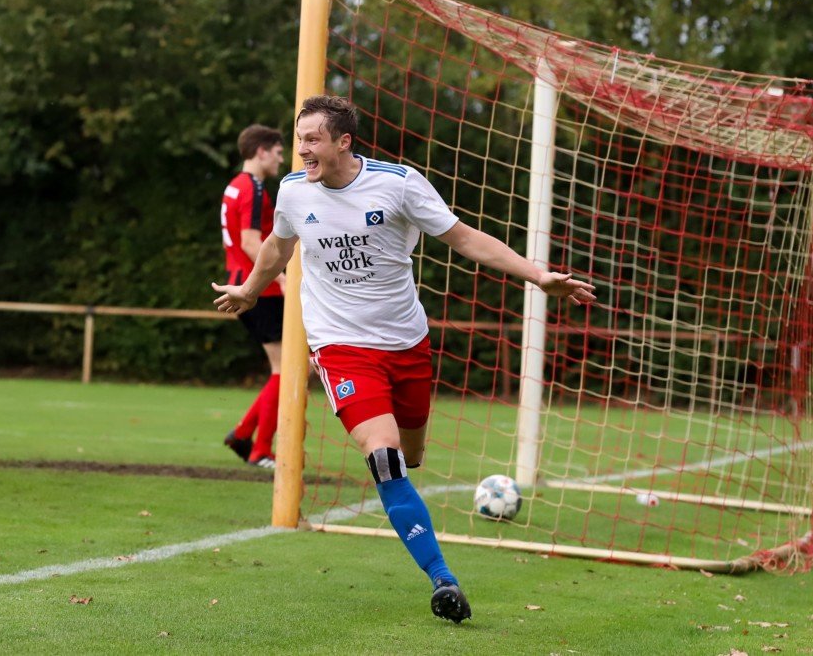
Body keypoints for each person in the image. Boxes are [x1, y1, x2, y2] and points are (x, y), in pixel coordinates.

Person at [211, 95, 595, 622]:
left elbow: (465, 239)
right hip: (340, 346)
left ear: (344, 142)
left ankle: (412, 503)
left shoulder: (398, 184)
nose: (302, 150)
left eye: (313, 139)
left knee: (410, 455)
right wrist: (251, 291)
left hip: (407, 344)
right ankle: (442, 578)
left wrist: (537, 275)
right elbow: (277, 247)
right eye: (299, 139)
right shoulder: (294, 192)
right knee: (386, 458)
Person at [220, 124, 286, 469]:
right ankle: (258, 447)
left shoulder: (235, 185)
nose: (282, 158)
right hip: (260, 290)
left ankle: (245, 434)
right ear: (261, 151)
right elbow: (249, 241)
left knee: (289, 368)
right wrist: (283, 276)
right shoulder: (254, 188)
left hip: (244, 284)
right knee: (286, 369)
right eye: (277, 151)